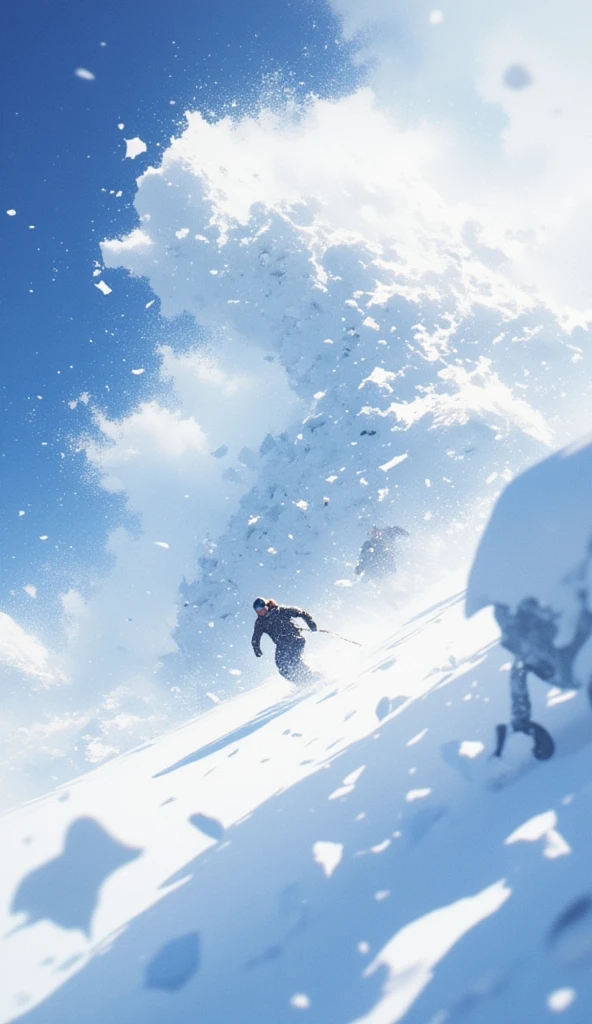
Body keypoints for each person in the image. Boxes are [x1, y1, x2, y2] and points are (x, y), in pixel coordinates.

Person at [251, 597, 319, 684]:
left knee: (294, 662)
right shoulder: (260, 622)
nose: (260, 611)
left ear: (267, 605)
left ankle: (311, 678)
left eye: (261, 608)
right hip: (281, 646)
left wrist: (311, 624)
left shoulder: (280, 611)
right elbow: (255, 637)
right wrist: (256, 648)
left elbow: (302, 613)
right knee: (282, 668)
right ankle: (301, 683)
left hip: (295, 639)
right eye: (257, 610)